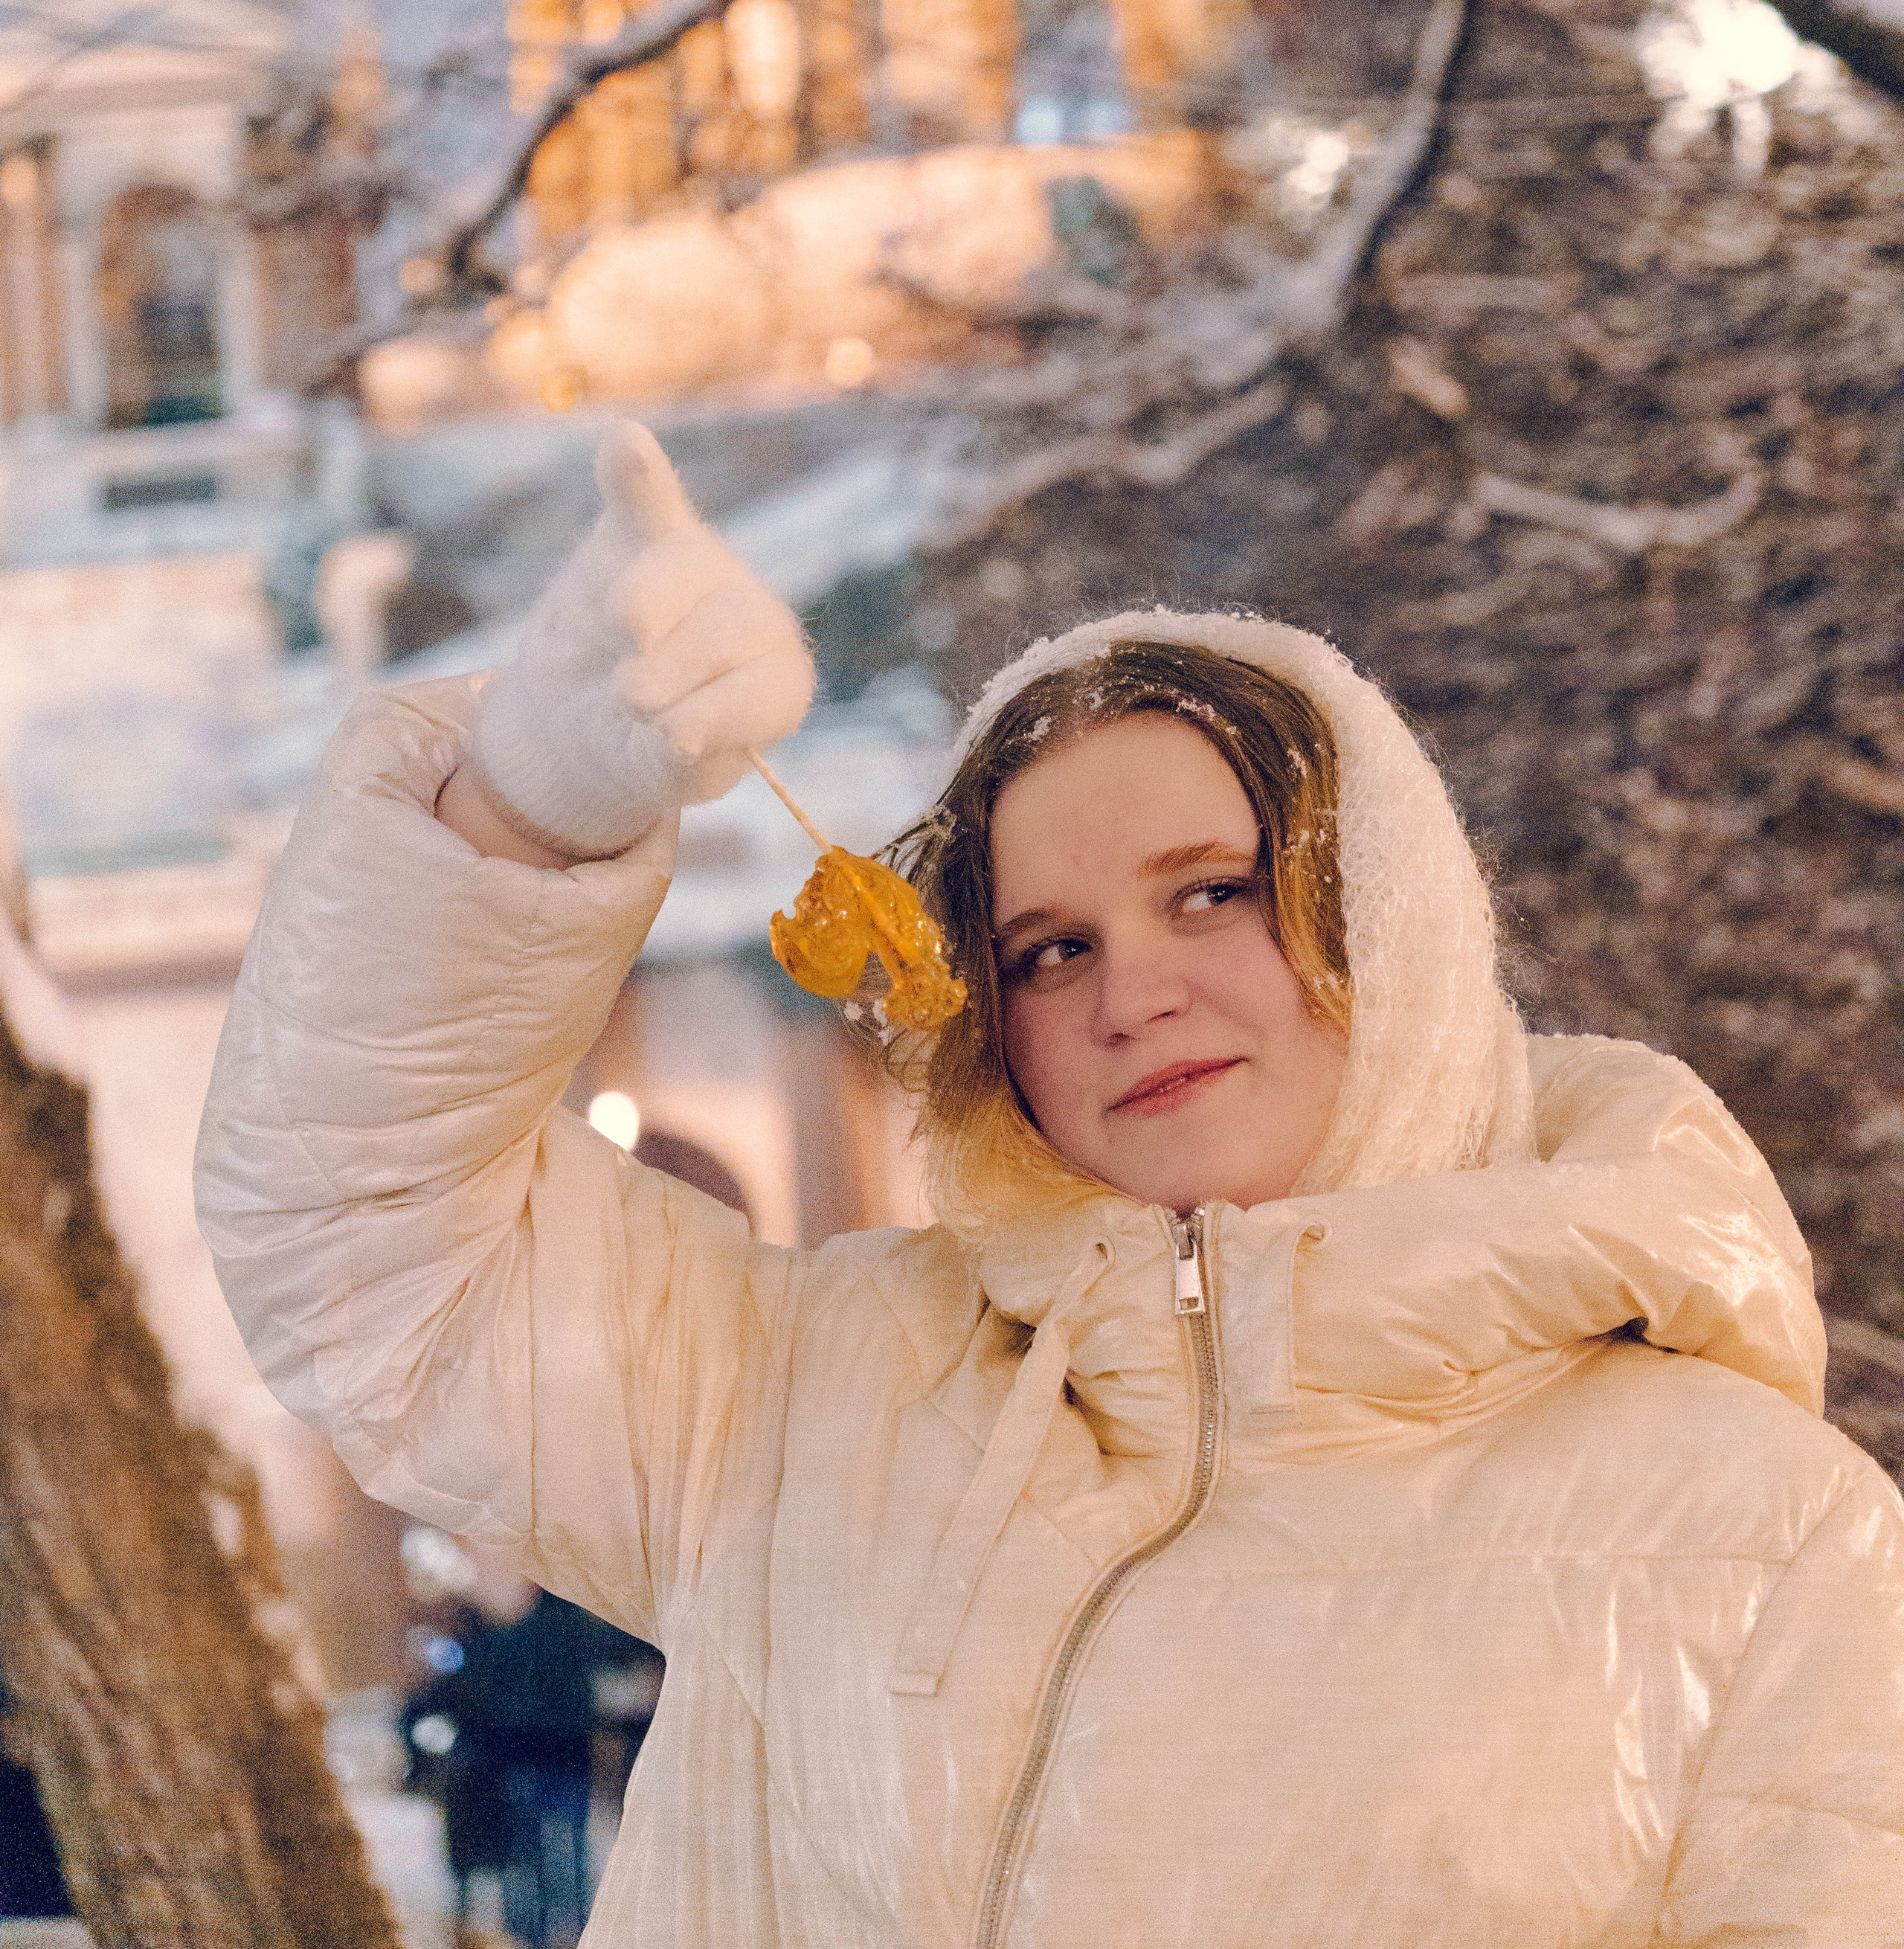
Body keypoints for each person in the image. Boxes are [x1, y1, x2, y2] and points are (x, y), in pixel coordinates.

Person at [196, 427, 1904, 1947]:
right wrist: (515, 818)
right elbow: (368, 1246)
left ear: (1391, 913)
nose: (1127, 994)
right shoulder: (799, 1411)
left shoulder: (1761, 1539)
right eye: (1048, 946)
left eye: (1212, 893)